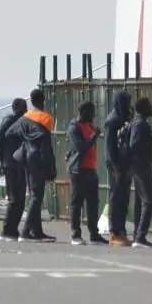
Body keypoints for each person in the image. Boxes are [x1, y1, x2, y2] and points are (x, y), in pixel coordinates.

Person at [14, 93, 58, 242]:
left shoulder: (25, 117)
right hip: (38, 159)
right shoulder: (47, 118)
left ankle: (37, 231)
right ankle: (25, 232)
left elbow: (9, 133)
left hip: (26, 158)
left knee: (34, 195)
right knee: (36, 196)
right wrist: (51, 167)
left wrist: (25, 141)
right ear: (43, 101)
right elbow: (45, 144)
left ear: (31, 101)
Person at [67, 101, 103, 245]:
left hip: (91, 170)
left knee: (93, 203)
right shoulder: (74, 128)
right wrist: (93, 137)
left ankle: (94, 234)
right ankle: (76, 235)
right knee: (77, 203)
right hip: (78, 171)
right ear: (83, 112)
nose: (94, 115)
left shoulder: (89, 125)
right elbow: (80, 147)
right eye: (91, 112)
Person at [127, 96, 152, 247]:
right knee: (149, 200)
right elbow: (135, 144)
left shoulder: (137, 123)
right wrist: (149, 152)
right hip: (141, 166)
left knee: (140, 200)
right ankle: (140, 236)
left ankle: (137, 235)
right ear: (144, 108)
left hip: (139, 165)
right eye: (149, 105)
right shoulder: (140, 125)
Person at [0, 97, 30, 240]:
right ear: (17, 108)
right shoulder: (9, 121)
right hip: (11, 164)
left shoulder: (22, 122)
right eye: (24, 107)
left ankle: (13, 228)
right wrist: (3, 161)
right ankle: (7, 229)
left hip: (19, 164)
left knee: (20, 199)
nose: (26, 110)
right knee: (14, 199)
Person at [104, 89, 134, 246]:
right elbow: (110, 147)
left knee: (123, 199)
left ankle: (121, 231)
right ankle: (114, 232)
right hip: (116, 165)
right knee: (116, 198)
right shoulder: (112, 120)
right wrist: (115, 166)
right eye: (126, 102)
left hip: (124, 164)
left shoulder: (123, 118)